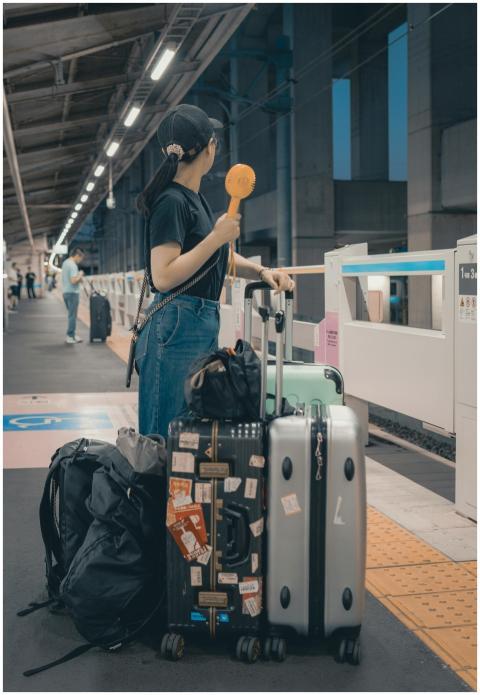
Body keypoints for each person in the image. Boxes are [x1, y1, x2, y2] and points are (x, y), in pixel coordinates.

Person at [135, 103, 295, 438]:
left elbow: (214, 259)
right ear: (209, 148)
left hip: (193, 320)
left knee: (185, 431)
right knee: (165, 435)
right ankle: (153, 493)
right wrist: (216, 238)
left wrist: (262, 271)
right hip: (177, 323)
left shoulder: (193, 200)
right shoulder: (172, 202)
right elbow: (163, 275)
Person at [61, 248, 85, 344]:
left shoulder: (65, 263)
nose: (80, 261)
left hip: (66, 292)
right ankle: (70, 336)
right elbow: (73, 280)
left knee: (72, 315)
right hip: (72, 293)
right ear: (77, 256)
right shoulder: (73, 265)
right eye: (80, 259)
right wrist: (80, 274)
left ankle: (73, 334)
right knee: (72, 316)